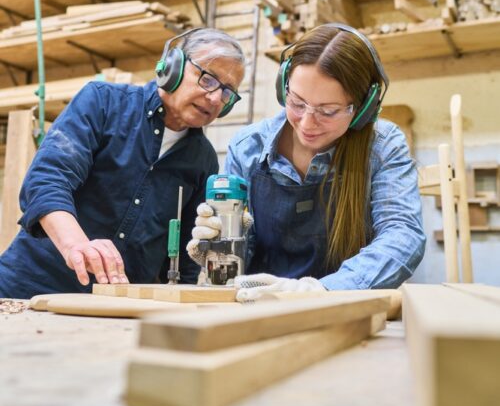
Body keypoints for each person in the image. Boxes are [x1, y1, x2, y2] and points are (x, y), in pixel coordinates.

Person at [0, 28, 245, 299]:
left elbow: (185, 256)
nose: (215, 98)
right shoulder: (103, 102)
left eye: (227, 92)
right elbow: (46, 181)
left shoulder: (203, 160)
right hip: (27, 288)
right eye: (208, 80)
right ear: (172, 67)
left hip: (115, 308)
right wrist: (76, 246)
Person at [188, 23, 426, 300]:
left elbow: (403, 234)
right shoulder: (247, 147)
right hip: (260, 304)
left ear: (363, 109)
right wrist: (217, 247)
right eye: (297, 103)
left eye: (328, 111)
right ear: (283, 87)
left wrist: (323, 289)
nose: (308, 123)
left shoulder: (382, 146)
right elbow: (244, 251)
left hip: (344, 306)